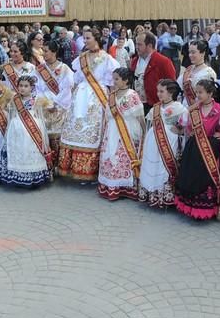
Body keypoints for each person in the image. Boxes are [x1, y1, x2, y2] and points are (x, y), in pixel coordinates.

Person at [58, 29, 120, 182]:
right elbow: (77, 80)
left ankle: (91, 170)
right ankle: (73, 168)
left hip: (97, 98)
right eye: (84, 38)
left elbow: (112, 84)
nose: (84, 41)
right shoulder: (81, 58)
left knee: (93, 130)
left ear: (96, 38)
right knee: (75, 128)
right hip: (81, 96)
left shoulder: (107, 59)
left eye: (87, 38)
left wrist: (113, 101)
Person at [175, 79, 220, 220]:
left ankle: (207, 209)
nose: (197, 95)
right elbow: (183, 123)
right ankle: (189, 206)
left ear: (210, 93)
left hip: (210, 149)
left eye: (201, 92)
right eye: (196, 92)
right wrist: (189, 116)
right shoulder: (194, 108)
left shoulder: (219, 110)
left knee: (205, 177)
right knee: (192, 174)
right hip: (194, 148)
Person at [97, 68, 145, 200]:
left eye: (117, 79)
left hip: (128, 130)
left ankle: (126, 187)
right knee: (110, 154)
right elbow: (107, 114)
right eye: (114, 78)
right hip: (112, 129)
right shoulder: (112, 95)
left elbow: (140, 115)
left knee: (123, 155)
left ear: (126, 80)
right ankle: (111, 186)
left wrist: (144, 131)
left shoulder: (132, 94)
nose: (114, 81)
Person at [138, 79, 187, 208]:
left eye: (162, 91)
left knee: (164, 167)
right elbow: (150, 123)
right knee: (152, 165)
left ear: (170, 93)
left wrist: (179, 130)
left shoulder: (179, 108)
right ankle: (151, 194)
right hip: (153, 141)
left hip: (169, 142)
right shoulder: (156, 107)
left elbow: (185, 127)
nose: (158, 94)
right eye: (158, 91)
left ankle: (164, 197)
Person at [0, 75, 52, 187]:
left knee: (31, 148)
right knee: (18, 149)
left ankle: (33, 175)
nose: (23, 88)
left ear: (32, 87)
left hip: (33, 127)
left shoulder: (38, 99)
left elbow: (48, 109)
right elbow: (7, 109)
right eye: (20, 86)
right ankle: (17, 174)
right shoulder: (14, 99)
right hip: (16, 128)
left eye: (26, 86)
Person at [32, 40, 74, 172]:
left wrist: (55, 103)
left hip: (59, 107)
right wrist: (46, 102)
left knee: (58, 137)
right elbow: (36, 88)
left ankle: (59, 166)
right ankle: (45, 165)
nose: (43, 54)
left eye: (46, 51)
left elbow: (67, 88)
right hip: (43, 105)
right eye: (42, 51)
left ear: (54, 52)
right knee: (43, 135)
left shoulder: (64, 69)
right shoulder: (39, 69)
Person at [130, 32, 177, 116]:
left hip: (156, 106)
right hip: (137, 106)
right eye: (136, 44)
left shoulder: (163, 61)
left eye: (140, 44)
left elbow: (172, 85)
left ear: (150, 46)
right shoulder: (134, 61)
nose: (136, 47)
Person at [177, 40, 217, 107]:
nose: (190, 55)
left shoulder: (209, 72)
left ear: (202, 53)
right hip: (184, 108)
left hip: (200, 110)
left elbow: (209, 96)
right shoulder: (189, 69)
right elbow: (179, 86)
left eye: (193, 52)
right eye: (189, 52)